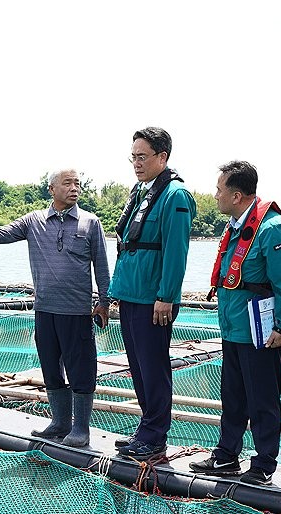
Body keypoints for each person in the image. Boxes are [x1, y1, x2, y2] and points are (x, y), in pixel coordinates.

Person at [0, 168, 110, 447]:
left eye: (77, 183)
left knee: (81, 369)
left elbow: (101, 266)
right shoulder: (34, 221)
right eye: (67, 183)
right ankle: (58, 423)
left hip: (77, 311)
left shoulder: (90, 223)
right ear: (51, 189)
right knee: (50, 367)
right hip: (44, 310)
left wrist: (104, 301)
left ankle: (81, 429)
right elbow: (1, 233)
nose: (74, 188)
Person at [188, 161, 281, 486]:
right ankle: (226, 456)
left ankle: (264, 464)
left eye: (219, 190)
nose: (215, 195)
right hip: (233, 329)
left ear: (236, 195)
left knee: (262, 399)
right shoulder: (235, 227)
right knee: (233, 396)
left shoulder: (271, 229)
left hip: (261, 333)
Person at [108, 127, 196, 459]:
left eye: (142, 157)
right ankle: (146, 428)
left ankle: (156, 434)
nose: (136, 163)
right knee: (138, 365)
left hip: (152, 297)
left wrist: (167, 295)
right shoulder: (144, 191)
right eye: (133, 157)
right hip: (131, 292)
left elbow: (176, 252)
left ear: (163, 157)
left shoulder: (174, 196)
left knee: (153, 365)